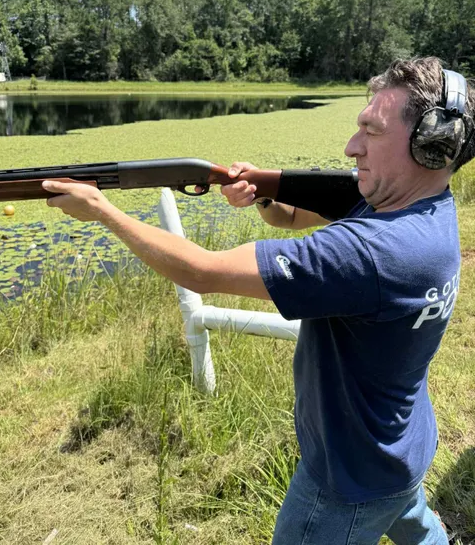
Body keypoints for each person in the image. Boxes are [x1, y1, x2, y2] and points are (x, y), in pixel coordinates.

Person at [41, 56, 473, 544]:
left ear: (432, 145)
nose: (352, 147)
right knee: (414, 521)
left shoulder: (373, 251)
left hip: (346, 476)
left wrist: (103, 211)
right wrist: (262, 191)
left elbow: (199, 271)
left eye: (371, 131)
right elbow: (287, 217)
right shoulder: (424, 210)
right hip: (400, 444)